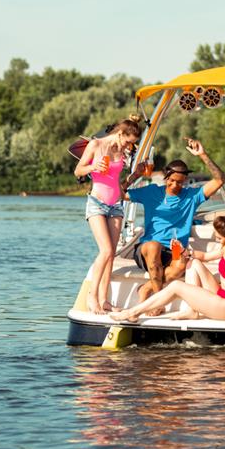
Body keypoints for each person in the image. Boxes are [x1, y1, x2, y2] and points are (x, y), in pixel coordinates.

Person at [126, 138, 225, 314]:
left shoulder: (192, 196)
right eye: (171, 180)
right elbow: (118, 194)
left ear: (185, 181)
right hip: (148, 249)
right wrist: (135, 175)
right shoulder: (152, 192)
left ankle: (146, 289)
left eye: (180, 182)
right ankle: (158, 303)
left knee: (180, 265)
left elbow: (220, 180)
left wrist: (202, 154)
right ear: (166, 176)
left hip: (174, 250)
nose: (175, 185)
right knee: (154, 246)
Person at [109, 215, 225, 331]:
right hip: (222, 295)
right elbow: (205, 257)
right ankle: (192, 311)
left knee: (176, 286)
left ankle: (133, 313)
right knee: (194, 264)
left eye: (219, 238)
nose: (218, 240)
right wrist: (184, 252)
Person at [73, 116, 143, 314]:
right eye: (128, 141)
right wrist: (93, 167)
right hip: (97, 203)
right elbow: (78, 171)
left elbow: (117, 182)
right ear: (120, 134)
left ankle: (104, 300)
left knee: (111, 254)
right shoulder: (96, 144)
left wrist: (136, 175)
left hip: (116, 205)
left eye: (132, 143)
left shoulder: (121, 150)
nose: (130, 145)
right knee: (104, 251)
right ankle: (92, 297)